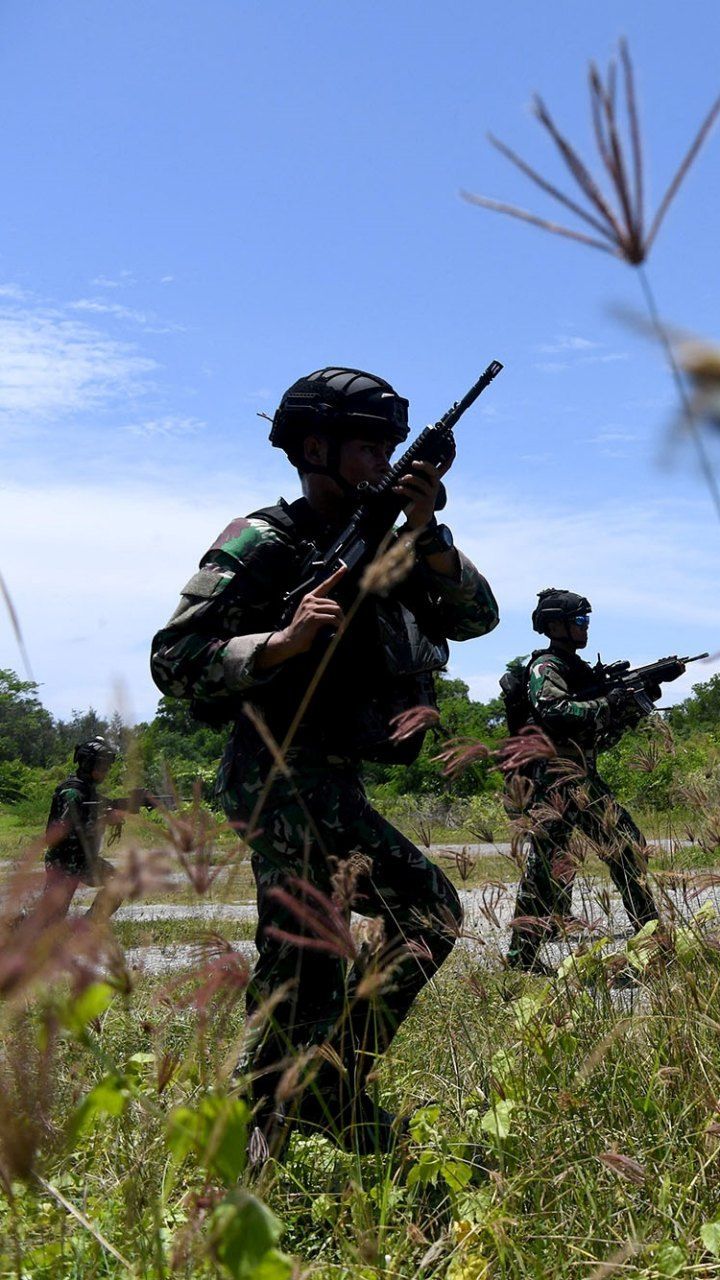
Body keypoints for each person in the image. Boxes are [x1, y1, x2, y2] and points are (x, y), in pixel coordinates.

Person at [151, 365, 499, 1154]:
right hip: (274, 773)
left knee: (306, 961)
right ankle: (317, 1103)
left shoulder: (394, 543)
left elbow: (478, 616)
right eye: (366, 445)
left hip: (329, 777)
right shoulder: (262, 538)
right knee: (388, 925)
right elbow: (173, 658)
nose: (383, 458)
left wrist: (429, 530)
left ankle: (292, 1117)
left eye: (390, 445)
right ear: (314, 446)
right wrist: (279, 642)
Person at [503, 588, 664, 974]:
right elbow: (554, 711)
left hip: (580, 775)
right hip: (554, 779)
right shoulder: (546, 667)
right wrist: (609, 702)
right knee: (549, 867)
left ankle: (651, 934)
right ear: (555, 625)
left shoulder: (575, 668)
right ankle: (521, 956)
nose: (584, 627)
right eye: (579, 621)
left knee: (626, 846)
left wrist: (630, 703)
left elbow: (598, 730)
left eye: (586, 621)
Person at [43, 736, 137, 924]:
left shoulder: (88, 791)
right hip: (64, 863)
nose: (106, 772)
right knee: (49, 922)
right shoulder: (72, 792)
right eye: (102, 767)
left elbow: (105, 805)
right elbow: (65, 832)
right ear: (88, 765)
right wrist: (103, 820)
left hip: (84, 861)